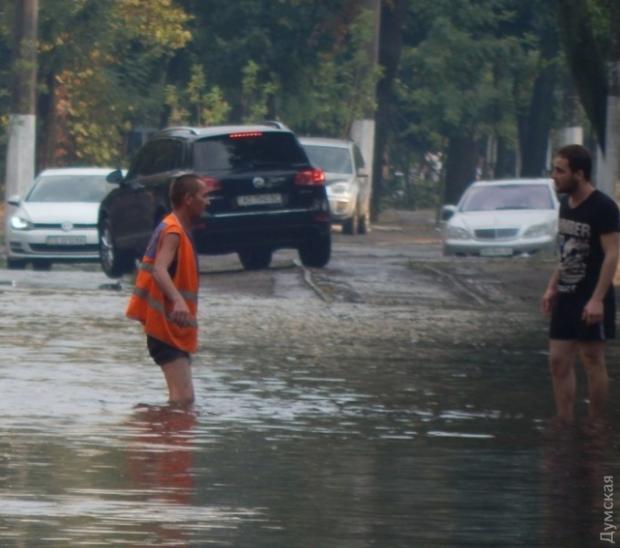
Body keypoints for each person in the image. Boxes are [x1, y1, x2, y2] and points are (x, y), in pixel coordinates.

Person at [541, 144, 619, 425]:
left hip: (591, 293)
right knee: (558, 360)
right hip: (566, 292)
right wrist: (552, 286)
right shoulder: (565, 205)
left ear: (580, 173)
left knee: (591, 360)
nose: (554, 176)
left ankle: (596, 425)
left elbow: (612, 253)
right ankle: (564, 421)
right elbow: (567, 250)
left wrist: (598, 298)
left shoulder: (604, 207)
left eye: (560, 171)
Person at [126, 173, 209, 406]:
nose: (208, 201)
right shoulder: (173, 231)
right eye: (204, 196)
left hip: (170, 329)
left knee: (183, 400)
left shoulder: (176, 228)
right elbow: (159, 270)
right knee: (183, 401)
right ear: (188, 199)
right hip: (165, 331)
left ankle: (157, 429)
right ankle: (155, 432)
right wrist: (179, 301)